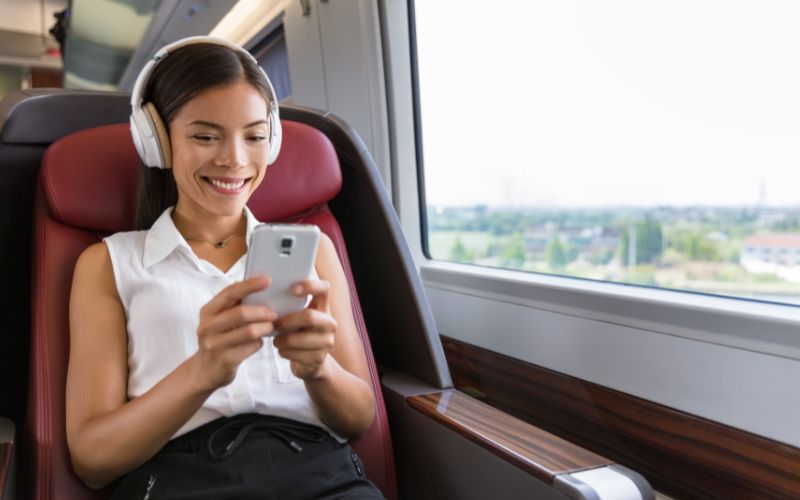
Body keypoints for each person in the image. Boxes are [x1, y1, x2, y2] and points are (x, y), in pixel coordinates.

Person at [66, 36, 384, 499]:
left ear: (271, 141)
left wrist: (318, 370)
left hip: (322, 477)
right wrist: (203, 372)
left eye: (254, 136)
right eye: (205, 135)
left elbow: (358, 419)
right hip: (182, 481)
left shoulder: (313, 253)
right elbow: (92, 461)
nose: (234, 159)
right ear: (157, 140)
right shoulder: (109, 264)